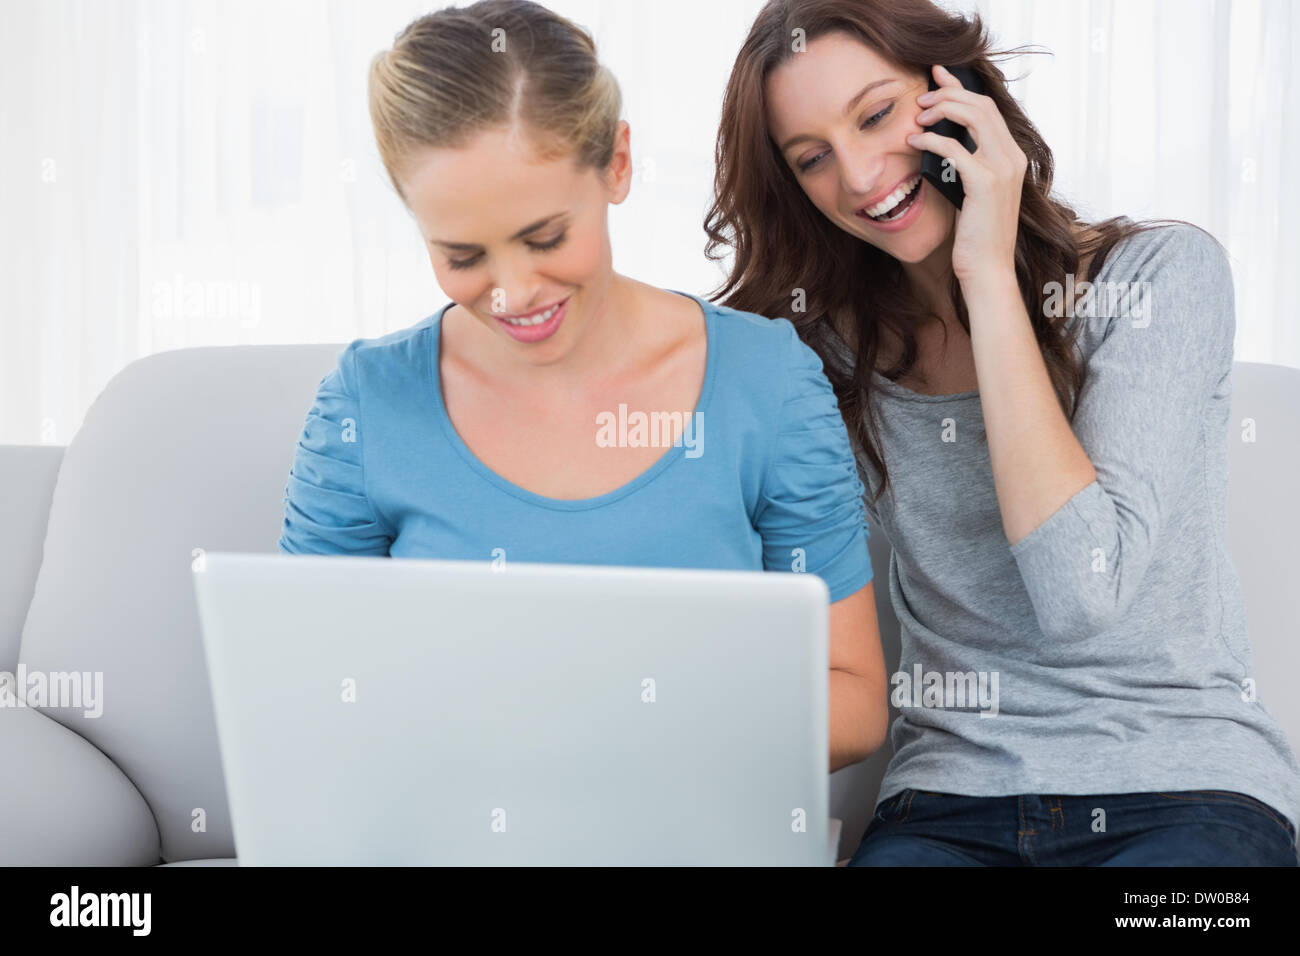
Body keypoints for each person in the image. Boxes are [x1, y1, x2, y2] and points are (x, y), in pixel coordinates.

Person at [703, 0, 1300, 864]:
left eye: (876, 115)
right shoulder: (820, 356)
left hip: (1185, 792)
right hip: (948, 805)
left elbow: (1080, 595)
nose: (863, 176)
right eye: (813, 159)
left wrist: (984, 272)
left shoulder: (1161, 277)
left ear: (959, 91)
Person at [277, 0, 888, 773]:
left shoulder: (766, 383)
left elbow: (856, 700)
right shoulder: (365, 405)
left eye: (545, 238)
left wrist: (614, 730)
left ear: (618, 164)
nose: (513, 291)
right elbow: (305, 696)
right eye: (463, 256)